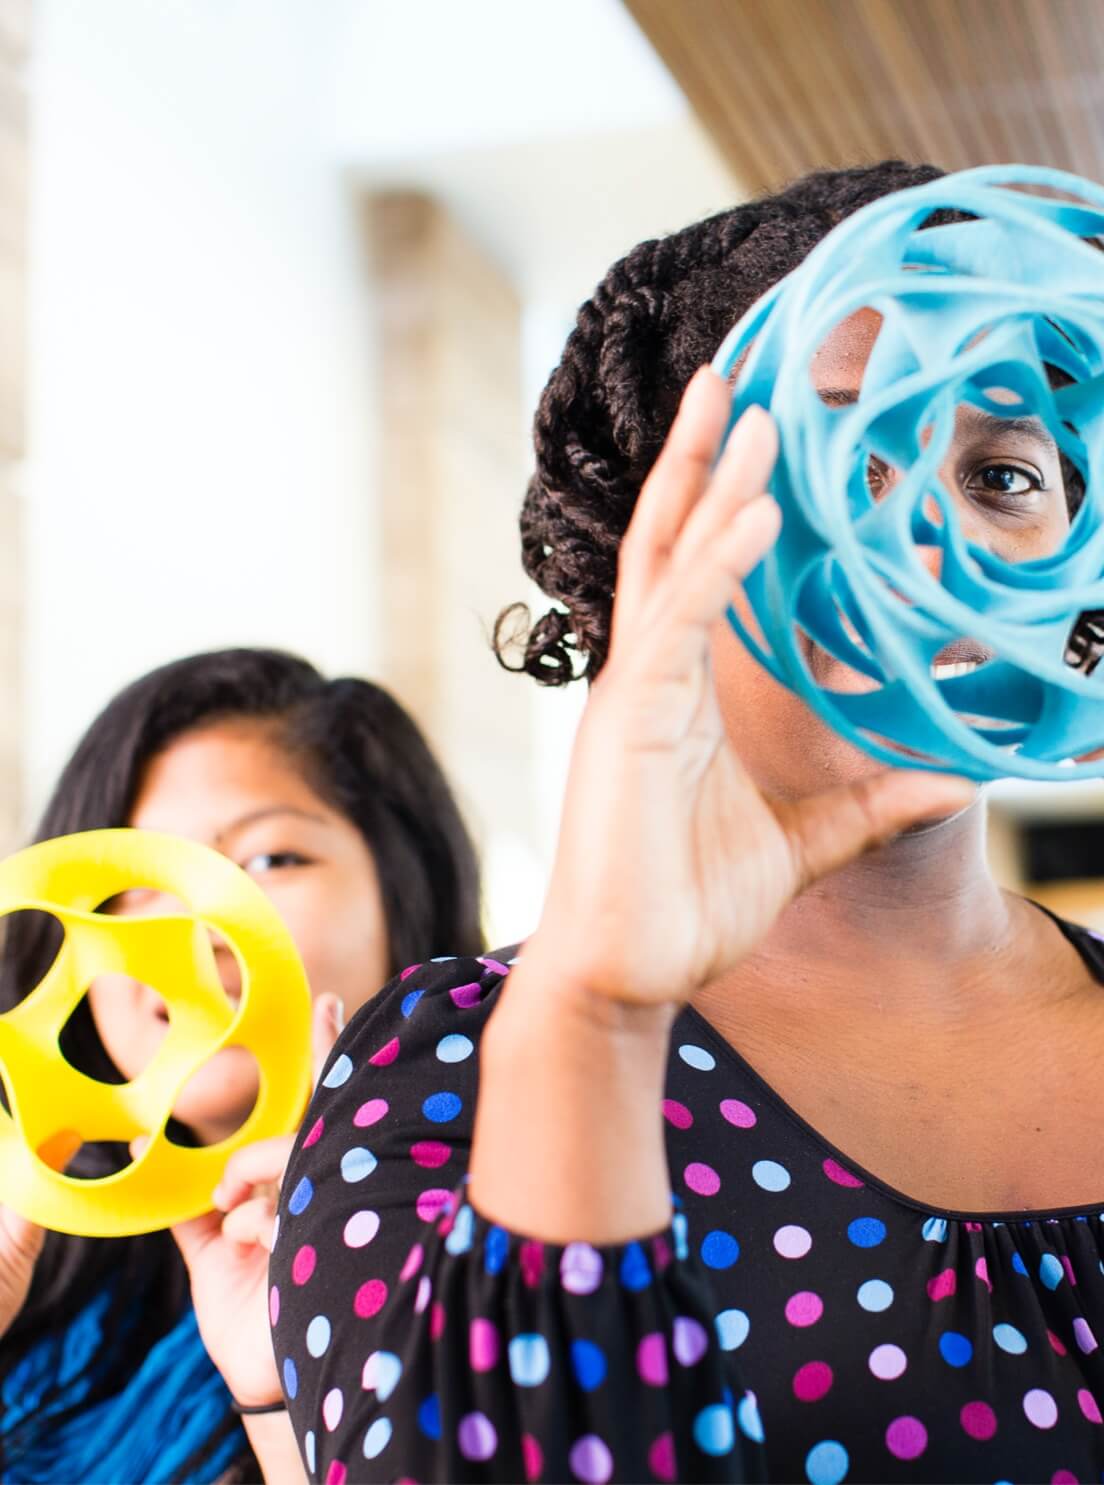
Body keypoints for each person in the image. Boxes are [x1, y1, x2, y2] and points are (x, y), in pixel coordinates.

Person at [272, 161, 1104, 1485]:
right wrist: (599, 1017)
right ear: (656, 546)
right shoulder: (449, 1081)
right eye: (846, 459)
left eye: (1001, 471)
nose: (934, 539)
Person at [0, 647, 482, 1483]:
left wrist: (286, 1381)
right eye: (133, 885)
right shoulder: (42, 1290)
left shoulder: (534, 1232)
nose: (191, 935)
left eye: (266, 861)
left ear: (404, 902)